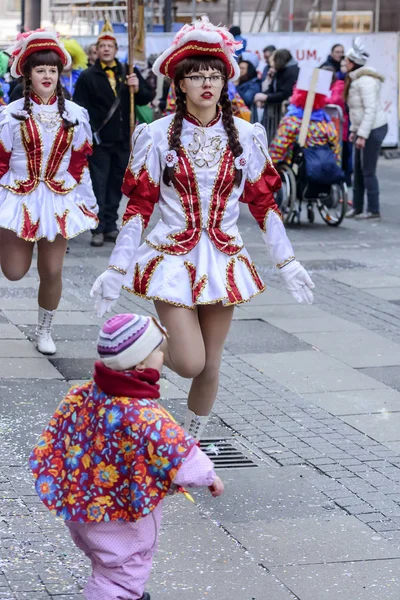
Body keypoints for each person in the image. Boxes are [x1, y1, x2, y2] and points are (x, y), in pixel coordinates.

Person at [90, 17, 314, 440]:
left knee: (211, 364)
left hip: (224, 260)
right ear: (180, 84)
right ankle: (142, 341)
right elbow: (139, 207)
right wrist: (116, 269)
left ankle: (190, 444)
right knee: (189, 361)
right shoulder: (155, 136)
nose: (206, 83)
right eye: (196, 76)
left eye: (214, 75)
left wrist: (287, 262)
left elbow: (264, 204)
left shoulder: (248, 135)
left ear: (225, 81)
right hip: (172, 259)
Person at [30, 312, 223, 600]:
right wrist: (208, 476)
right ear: (142, 362)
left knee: (106, 564)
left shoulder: (86, 392)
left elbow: (61, 430)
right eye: (159, 351)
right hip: (120, 514)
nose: (163, 357)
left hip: (83, 504)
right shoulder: (143, 413)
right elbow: (176, 449)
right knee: (123, 571)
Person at [0, 30, 98, 355]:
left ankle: (44, 329)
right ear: (28, 73)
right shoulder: (10, 113)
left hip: (58, 198)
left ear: (60, 74)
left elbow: (80, 161)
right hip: (18, 196)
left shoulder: (75, 115)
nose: (47, 75)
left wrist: (85, 200)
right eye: (40, 69)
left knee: (52, 269)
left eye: (52, 70)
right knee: (14, 273)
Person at [73, 20, 154, 247]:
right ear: (96, 51)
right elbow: (80, 109)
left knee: (117, 184)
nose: (106, 49)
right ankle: (98, 227)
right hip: (100, 142)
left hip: (122, 140)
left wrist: (137, 87)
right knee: (99, 184)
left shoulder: (128, 72)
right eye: (102, 46)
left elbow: (146, 97)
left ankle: (111, 224)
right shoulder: (88, 76)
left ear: (116, 50)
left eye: (110, 46)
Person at [344, 39, 388, 219]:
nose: (344, 64)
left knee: (368, 170)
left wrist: (362, 134)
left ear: (353, 62)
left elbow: (369, 111)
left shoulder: (366, 81)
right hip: (364, 129)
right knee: (358, 170)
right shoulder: (357, 80)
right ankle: (358, 207)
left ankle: (373, 210)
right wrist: (355, 131)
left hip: (374, 129)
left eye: (346, 61)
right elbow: (357, 112)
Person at [269, 86, 341, 167]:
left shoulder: (292, 121)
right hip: (327, 167)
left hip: (299, 167)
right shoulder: (326, 122)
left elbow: (278, 148)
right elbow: (335, 148)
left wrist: (270, 166)